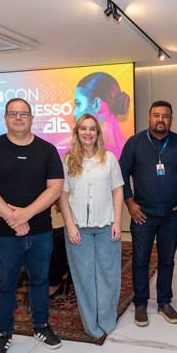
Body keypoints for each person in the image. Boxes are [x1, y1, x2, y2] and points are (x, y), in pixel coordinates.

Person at [0, 98, 64, 353]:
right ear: (5, 118)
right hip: (3, 232)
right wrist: (12, 217)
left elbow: (55, 188)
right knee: (4, 284)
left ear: (32, 118)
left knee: (40, 280)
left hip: (40, 230)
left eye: (23, 113)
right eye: (13, 113)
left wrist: (26, 213)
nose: (18, 117)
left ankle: (41, 325)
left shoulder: (47, 150)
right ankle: (3, 333)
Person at [119, 101, 177, 327]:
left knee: (167, 260)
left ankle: (164, 302)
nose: (161, 119)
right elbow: (122, 174)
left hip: (171, 215)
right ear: (149, 117)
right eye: (156, 115)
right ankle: (141, 304)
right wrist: (130, 203)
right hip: (142, 214)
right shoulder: (134, 143)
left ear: (171, 119)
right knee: (140, 260)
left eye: (165, 116)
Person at [58, 114, 124, 338]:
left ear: (98, 133)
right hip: (78, 228)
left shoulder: (109, 159)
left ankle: (106, 320)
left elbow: (118, 191)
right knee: (84, 277)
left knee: (108, 275)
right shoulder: (68, 160)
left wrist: (117, 222)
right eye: (83, 128)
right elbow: (63, 196)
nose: (88, 133)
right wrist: (70, 225)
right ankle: (91, 326)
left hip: (106, 224)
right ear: (77, 132)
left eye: (92, 129)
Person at [72, 72, 131, 157]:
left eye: (78, 104)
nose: (74, 114)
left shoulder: (111, 154)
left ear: (97, 104)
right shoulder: (127, 147)